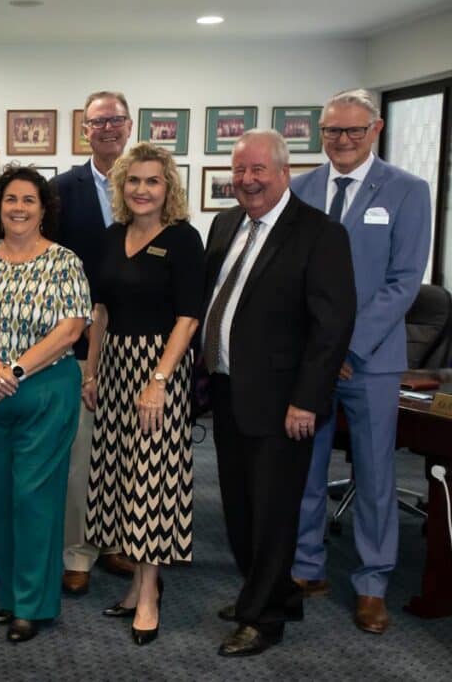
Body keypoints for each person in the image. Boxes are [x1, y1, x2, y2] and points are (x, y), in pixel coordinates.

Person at [203, 129, 355, 657]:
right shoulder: (225, 226)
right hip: (227, 390)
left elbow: (332, 327)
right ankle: (274, 592)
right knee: (240, 508)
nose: (247, 181)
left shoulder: (319, 233)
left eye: (258, 170)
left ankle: (262, 618)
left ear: (285, 173)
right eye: (239, 171)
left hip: (283, 402)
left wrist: (308, 399)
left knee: (272, 510)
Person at [291, 89, 431, 634]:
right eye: (332, 131)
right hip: (310, 359)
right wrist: (317, 351)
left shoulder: (407, 190)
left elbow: (402, 284)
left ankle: (373, 583)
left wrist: (346, 349)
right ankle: (307, 565)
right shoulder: (300, 189)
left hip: (369, 363)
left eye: (353, 131)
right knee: (306, 466)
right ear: (320, 133)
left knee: (374, 474)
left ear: (374, 130)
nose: (342, 141)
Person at [0, 165, 90, 643]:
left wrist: (11, 371)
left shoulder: (64, 262)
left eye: (28, 200)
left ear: (43, 209)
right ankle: (11, 595)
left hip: (43, 391)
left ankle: (34, 604)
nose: (18, 208)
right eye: (10, 199)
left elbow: (71, 329)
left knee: (34, 497)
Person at [83, 143, 205, 645]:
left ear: (168, 187)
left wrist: (158, 380)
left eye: (152, 181)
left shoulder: (183, 239)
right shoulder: (112, 237)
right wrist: (90, 373)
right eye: (133, 180)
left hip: (161, 366)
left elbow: (189, 316)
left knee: (153, 478)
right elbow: (100, 313)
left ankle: (150, 592)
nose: (141, 190)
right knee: (120, 475)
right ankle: (135, 583)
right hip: (114, 364)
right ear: (121, 186)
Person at [52, 91, 136, 596]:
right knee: (83, 452)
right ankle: (78, 550)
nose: (107, 128)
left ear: (130, 125)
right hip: (81, 340)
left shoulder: (151, 181)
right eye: (98, 121)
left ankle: (118, 542)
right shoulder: (63, 189)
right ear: (86, 129)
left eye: (116, 120)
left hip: (139, 337)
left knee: (128, 448)